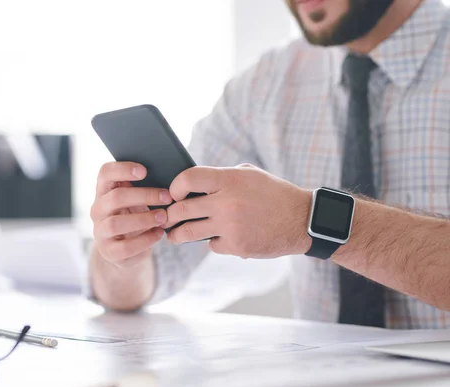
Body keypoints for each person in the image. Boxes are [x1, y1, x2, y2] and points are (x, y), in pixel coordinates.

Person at [88, 0, 450, 329]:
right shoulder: (265, 86)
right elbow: (141, 283)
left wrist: (309, 220)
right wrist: (123, 256)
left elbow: (302, 221)